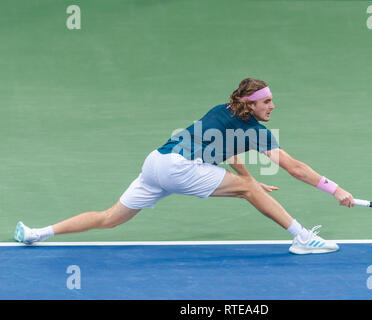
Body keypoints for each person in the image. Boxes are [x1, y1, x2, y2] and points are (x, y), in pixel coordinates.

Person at [14, 78, 354, 254]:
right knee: (248, 190)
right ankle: (303, 239)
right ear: (250, 104)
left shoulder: (222, 110)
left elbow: (229, 154)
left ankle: (35, 234)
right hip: (180, 169)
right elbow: (295, 168)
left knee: (109, 219)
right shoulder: (256, 131)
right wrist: (335, 189)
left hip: (155, 163)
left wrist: (250, 183)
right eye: (267, 101)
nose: (273, 106)